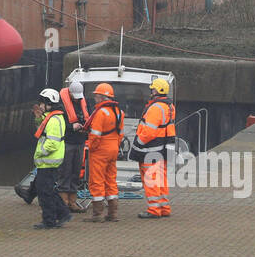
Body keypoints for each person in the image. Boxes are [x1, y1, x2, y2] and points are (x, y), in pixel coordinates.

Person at [132, 78, 176, 218]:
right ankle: (164, 207)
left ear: (156, 91)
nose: (151, 91)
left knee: (151, 180)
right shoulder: (169, 107)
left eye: (153, 89)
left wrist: (137, 143)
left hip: (150, 150)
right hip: (162, 149)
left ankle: (154, 210)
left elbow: (149, 132)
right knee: (161, 179)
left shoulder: (155, 108)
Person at [83, 83, 124, 222]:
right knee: (111, 180)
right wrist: (115, 146)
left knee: (96, 181)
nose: (95, 97)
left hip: (100, 150)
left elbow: (95, 135)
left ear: (102, 97)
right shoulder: (119, 112)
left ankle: (97, 214)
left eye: (97, 95)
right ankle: (113, 214)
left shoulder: (101, 113)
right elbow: (120, 134)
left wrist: (91, 148)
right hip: (113, 149)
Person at [31, 89, 69, 229]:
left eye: (41, 103)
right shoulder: (52, 117)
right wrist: (38, 117)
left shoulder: (54, 120)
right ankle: (63, 213)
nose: (39, 105)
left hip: (48, 161)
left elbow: (52, 143)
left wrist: (40, 153)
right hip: (48, 162)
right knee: (49, 190)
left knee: (45, 193)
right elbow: (42, 129)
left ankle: (49, 221)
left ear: (48, 104)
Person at [56, 80, 91, 212]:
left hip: (80, 141)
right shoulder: (61, 104)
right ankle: (63, 201)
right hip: (67, 142)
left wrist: (85, 127)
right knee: (65, 171)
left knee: (75, 172)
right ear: (69, 93)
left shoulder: (82, 101)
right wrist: (72, 127)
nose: (77, 99)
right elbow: (59, 122)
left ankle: (72, 201)